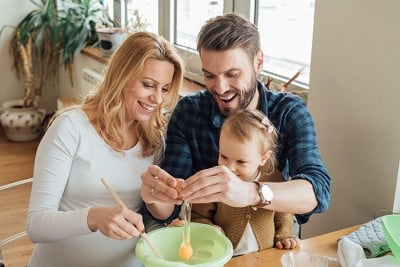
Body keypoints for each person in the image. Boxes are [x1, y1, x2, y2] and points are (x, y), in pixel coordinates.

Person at [140, 13, 331, 235]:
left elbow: (319, 192)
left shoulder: (289, 112)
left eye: (232, 74)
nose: (220, 88)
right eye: (210, 75)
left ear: (258, 62)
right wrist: (155, 197)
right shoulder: (189, 112)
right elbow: (169, 210)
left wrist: (251, 193)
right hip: (209, 247)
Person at [26, 31, 184, 267]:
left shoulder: (153, 137)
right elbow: (36, 226)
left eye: (164, 89)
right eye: (148, 85)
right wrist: (93, 218)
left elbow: (152, 217)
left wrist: (157, 206)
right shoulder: (70, 128)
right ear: (121, 76)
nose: (157, 99)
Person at [191, 109, 299, 255]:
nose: (229, 168)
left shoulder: (274, 179)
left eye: (241, 161)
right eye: (223, 156)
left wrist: (284, 234)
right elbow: (197, 216)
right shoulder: (215, 180)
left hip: (265, 256)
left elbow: (284, 211)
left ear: (264, 158)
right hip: (225, 257)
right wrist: (211, 229)